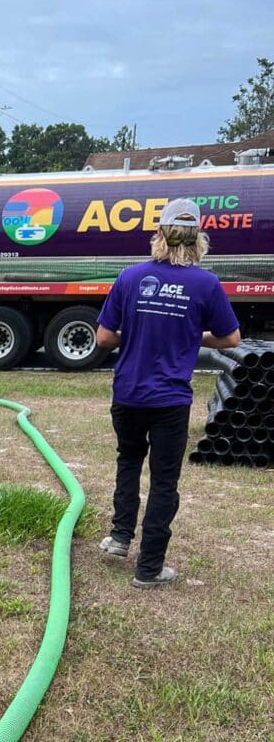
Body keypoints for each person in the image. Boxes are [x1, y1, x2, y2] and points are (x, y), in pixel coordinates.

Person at [95, 197, 240, 589]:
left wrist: (138, 332)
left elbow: (104, 337)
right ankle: (149, 568)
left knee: (128, 461)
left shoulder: (129, 277)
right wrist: (194, 335)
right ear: (198, 240)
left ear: (158, 234)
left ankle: (120, 538)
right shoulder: (206, 283)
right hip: (170, 401)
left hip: (127, 393)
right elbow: (231, 338)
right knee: (163, 481)